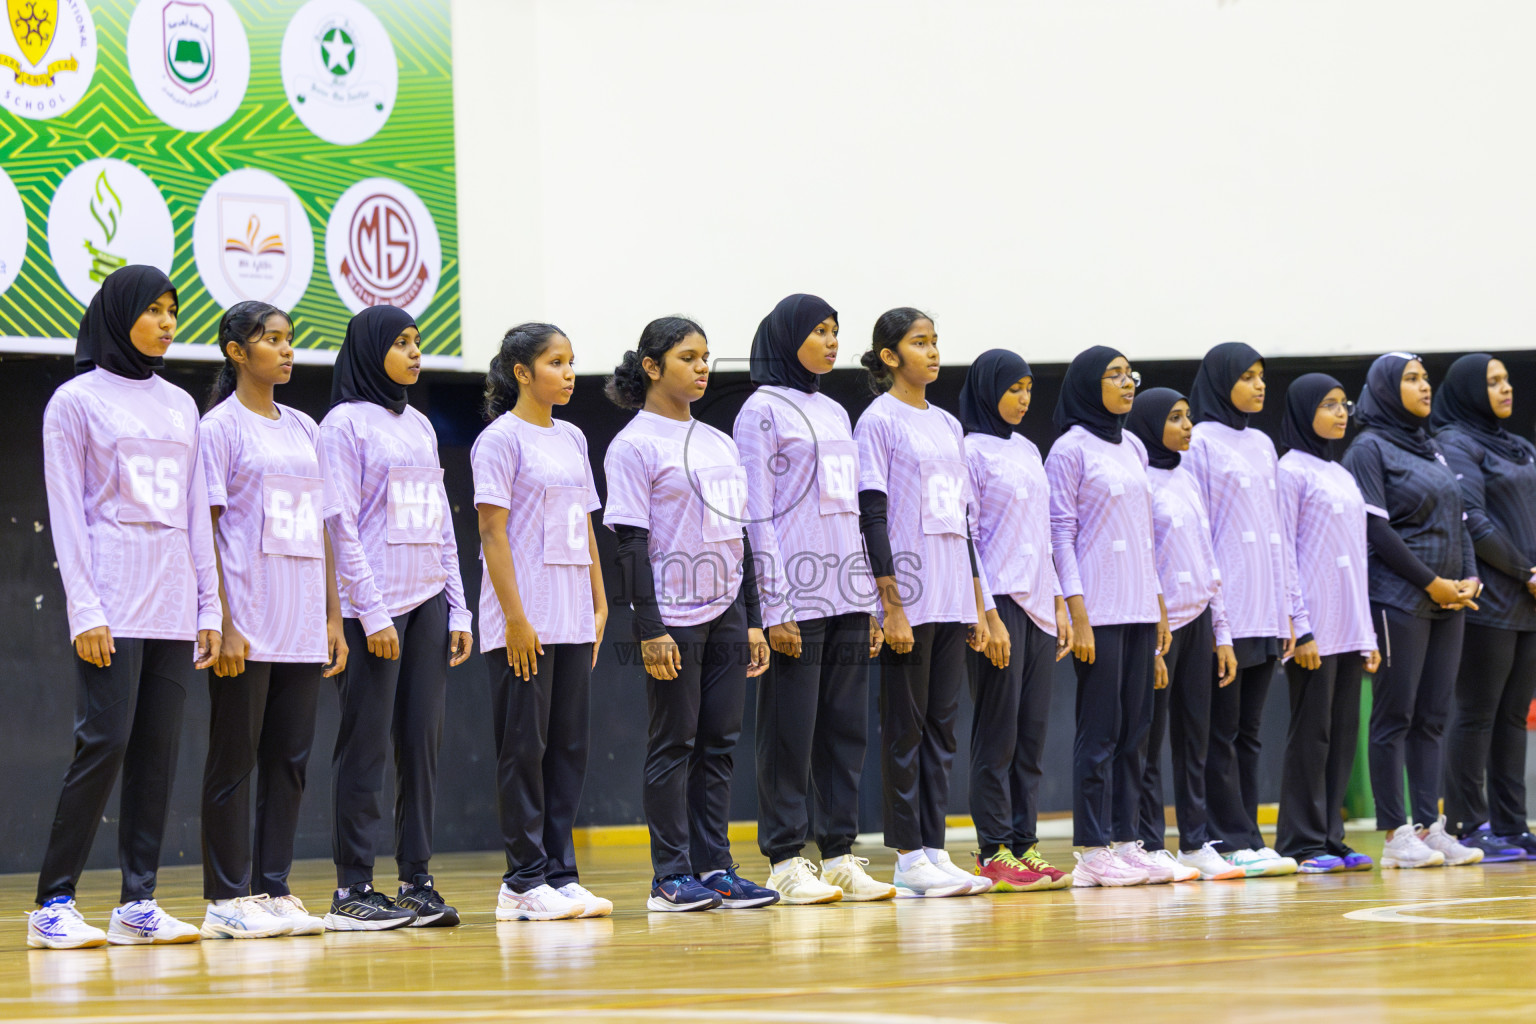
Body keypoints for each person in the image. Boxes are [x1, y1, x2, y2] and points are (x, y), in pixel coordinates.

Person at [29, 266, 221, 949]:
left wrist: (209, 604)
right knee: (103, 744)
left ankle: (137, 901)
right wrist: (85, 609)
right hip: (111, 599)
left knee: (156, 754)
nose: (168, 322)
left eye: (174, 310)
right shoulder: (75, 401)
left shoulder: (179, 405)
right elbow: (67, 514)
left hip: (172, 606)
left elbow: (196, 510)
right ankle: (52, 902)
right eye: (154, 310)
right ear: (118, 315)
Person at [602, 316, 777, 912]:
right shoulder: (634, 444)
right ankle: (669, 876)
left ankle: (716, 867)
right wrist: (647, 627)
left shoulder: (720, 441)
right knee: (673, 742)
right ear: (652, 367)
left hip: (727, 609)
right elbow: (629, 544)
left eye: (707, 357)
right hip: (672, 614)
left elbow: (740, 536)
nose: (703, 367)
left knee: (719, 743)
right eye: (688, 357)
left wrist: (752, 616)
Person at [734, 295, 892, 905]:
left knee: (843, 732)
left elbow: (849, 508)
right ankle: (783, 859)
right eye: (818, 331)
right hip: (796, 597)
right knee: (789, 733)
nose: (831, 341)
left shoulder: (832, 409)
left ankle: (840, 855)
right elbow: (758, 513)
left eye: (835, 331)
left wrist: (869, 600)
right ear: (786, 337)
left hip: (845, 593)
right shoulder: (760, 411)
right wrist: (775, 605)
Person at [198, 302, 348, 939]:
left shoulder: (307, 430)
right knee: (234, 762)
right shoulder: (218, 429)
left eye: (291, 340)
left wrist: (335, 617)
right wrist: (222, 619)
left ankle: (274, 886)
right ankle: (226, 897)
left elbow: (325, 529)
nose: (287, 351)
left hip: (301, 626)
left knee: (289, 760)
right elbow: (203, 531)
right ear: (237, 351)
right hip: (246, 626)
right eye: (273, 341)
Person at [322, 306, 474, 929]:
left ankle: (416, 879)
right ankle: (353, 887)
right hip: (373, 613)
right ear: (369, 349)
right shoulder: (341, 426)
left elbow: (440, 519)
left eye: (418, 342)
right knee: (364, 747)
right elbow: (341, 525)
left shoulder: (417, 425)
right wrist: (370, 611)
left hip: (429, 603)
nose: (415, 352)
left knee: (421, 744)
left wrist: (458, 605)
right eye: (402, 343)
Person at [475, 323, 614, 921]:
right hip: (524, 619)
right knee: (523, 750)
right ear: (521, 373)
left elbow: (584, 524)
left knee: (568, 749)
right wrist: (514, 618)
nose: (568, 372)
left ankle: (560, 872)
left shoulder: (575, 437)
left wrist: (600, 601)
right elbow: (491, 531)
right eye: (555, 362)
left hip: (573, 615)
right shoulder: (499, 441)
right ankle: (522, 881)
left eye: (571, 361)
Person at [855, 308, 992, 898]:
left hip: (951, 593)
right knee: (904, 728)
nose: (933, 352)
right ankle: (908, 854)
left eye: (936, 342)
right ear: (890, 357)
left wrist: (979, 605)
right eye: (919, 343)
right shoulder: (878, 422)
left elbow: (964, 522)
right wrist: (890, 603)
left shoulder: (949, 424)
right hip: (907, 596)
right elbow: (873, 514)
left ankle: (935, 847)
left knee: (941, 728)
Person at [1342, 353, 1482, 869]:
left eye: (1426, 378)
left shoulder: (1432, 447)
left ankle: (1430, 826)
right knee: (1393, 717)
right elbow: (1377, 531)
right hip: (1399, 599)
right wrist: (1432, 583)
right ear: (1385, 388)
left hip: (1450, 601)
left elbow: (1461, 518)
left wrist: (1468, 578)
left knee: (1433, 717)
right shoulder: (1368, 448)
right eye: (1412, 379)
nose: (1426, 387)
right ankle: (1396, 832)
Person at [1045, 347, 1171, 887]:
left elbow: (1145, 531)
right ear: (1087, 385)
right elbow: (1060, 534)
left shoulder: (1136, 447)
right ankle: (1093, 849)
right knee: (1098, 734)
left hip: (1142, 606)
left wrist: (1160, 602)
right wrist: (1078, 611)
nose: (1127, 383)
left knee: (1135, 733)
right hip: (1098, 607)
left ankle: (1125, 840)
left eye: (1130, 375)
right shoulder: (1069, 450)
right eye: (1114, 375)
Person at [958, 349, 1074, 891]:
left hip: (1039, 606)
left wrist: (1058, 604)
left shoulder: (1029, 448)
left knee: (1031, 737)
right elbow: (968, 537)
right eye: (1013, 388)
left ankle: (1025, 845)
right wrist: (986, 614)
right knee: (997, 734)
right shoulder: (969, 451)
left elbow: (1047, 535)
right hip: (999, 606)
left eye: (1029, 388)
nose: (1024, 398)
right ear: (987, 390)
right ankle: (994, 848)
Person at [1184, 343, 1297, 877]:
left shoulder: (1262, 443)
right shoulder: (1200, 441)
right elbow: (1199, 531)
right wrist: (1216, 610)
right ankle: (1225, 837)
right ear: (1221, 380)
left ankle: (1250, 832)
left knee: (1250, 732)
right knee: (1220, 731)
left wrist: (1289, 612)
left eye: (1262, 377)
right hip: (1225, 611)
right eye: (1247, 377)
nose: (1259, 386)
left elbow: (1278, 534)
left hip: (1267, 611)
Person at [1123, 388, 1241, 882]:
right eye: (1175, 418)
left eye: (1189, 416)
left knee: (1194, 740)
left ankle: (1194, 842)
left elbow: (1207, 559)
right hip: (1160, 626)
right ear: (1151, 425)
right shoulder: (1139, 481)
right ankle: (1151, 844)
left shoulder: (1188, 478)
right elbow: (1142, 560)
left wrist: (1224, 632)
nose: (1188, 425)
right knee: (1149, 741)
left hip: (1199, 620)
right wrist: (1152, 635)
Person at [1273, 374, 1381, 873]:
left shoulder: (1342, 474)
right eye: (1329, 405)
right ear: (1303, 411)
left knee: (1341, 734)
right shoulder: (1290, 471)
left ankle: (1332, 836)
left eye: (1345, 404)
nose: (1342, 413)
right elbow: (1285, 555)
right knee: (1311, 733)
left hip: (1349, 627)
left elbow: (1357, 558)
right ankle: (1300, 840)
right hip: (1313, 627)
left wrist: (1368, 633)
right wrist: (1301, 626)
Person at [1433, 354, 1536, 861]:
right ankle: (1468, 824)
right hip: (1490, 599)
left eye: (1506, 379)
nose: (1505, 388)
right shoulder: (1457, 442)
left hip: (1529, 602)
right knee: (1476, 713)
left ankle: (1514, 826)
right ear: (1472, 390)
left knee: (1514, 717)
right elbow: (1473, 518)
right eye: (1493, 382)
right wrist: (1527, 572)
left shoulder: (1519, 446)